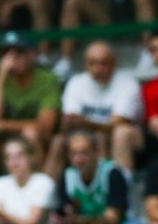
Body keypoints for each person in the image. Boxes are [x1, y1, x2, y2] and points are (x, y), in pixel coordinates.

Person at [0, 33, 61, 203]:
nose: (12, 59)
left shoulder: (47, 79)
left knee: (30, 133)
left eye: (18, 53)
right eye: (6, 54)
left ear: (32, 54)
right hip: (7, 139)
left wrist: (3, 126)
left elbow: (46, 125)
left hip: (41, 138)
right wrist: (1, 78)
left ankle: (35, 200)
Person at [53, 42, 142, 175]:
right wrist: (88, 125)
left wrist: (86, 122)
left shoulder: (128, 84)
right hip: (87, 134)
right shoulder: (76, 83)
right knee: (58, 141)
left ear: (113, 63)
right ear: (85, 65)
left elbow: (118, 123)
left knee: (119, 133)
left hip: (128, 136)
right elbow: (71, 121)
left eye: (103, 63)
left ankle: (121, 185)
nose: (98, 68)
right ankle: (45, 190)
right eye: (92, 63)